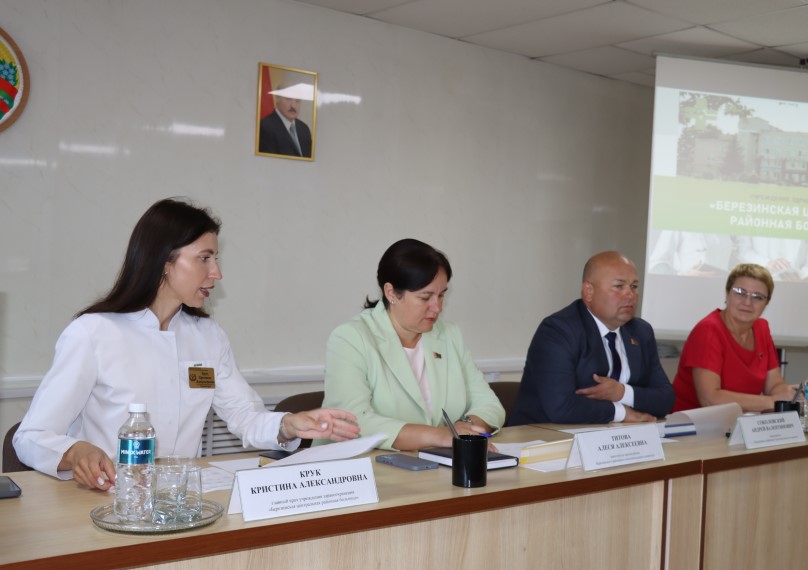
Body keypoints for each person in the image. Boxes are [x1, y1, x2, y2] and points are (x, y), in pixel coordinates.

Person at [13, 198, 358, 489]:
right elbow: (31, 436)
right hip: (106, 502)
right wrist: (76, 452)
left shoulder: (207, 336)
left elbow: (244, 415)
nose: (216, 273)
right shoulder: (93, 333)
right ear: (164, 261)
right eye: (204, 258)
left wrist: (288, 425)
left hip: (181, 503)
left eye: (215, 259)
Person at [320, 239, 505, 451]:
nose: (437, 307)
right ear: (391, 293)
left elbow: (490, 405)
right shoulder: (351, 338)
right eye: (425, 297)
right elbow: (352, 422)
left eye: (441, 295)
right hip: (361, 465)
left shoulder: (449, 335)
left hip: (434, 464)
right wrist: (440, 436)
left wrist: (462, 429)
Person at [509, 251, 674, 426]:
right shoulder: (558, 330)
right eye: (619, 286)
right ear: (589, 291)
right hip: (544, 435)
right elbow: (562, 407)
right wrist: (622, 413)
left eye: (634, 286)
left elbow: (666, 399)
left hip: (615, 435)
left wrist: (621, 393)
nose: (630, 295)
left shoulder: (641, 331)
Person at [672, 263, 795, 412]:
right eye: (740, 292)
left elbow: (773, 385)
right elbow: (710, 399)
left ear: (766, 303)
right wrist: (772, 402)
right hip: (692, 424)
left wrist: (790, 395)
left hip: (738, 422)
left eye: (757, 297)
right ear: (727, 293)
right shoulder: (708, 331)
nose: (747, 302)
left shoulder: (761, 328)